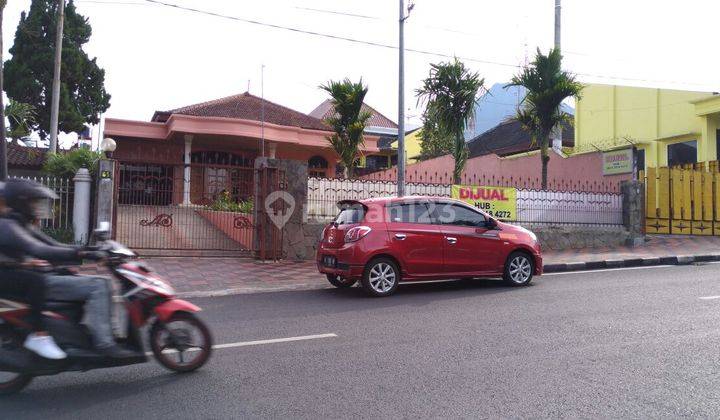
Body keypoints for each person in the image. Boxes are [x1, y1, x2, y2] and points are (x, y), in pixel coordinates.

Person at [0, 179, 135, 359]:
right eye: (33, 202)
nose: (37, 208)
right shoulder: (9, 226)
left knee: (76, 276)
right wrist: (82, 254)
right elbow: (40, 250)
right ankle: (105, 344)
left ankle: (77, 334)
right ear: (21, 202)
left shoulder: (20, 224)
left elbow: (55, 244)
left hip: (28, 275)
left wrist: (92, 250)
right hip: (19, 280)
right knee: (98, 285)